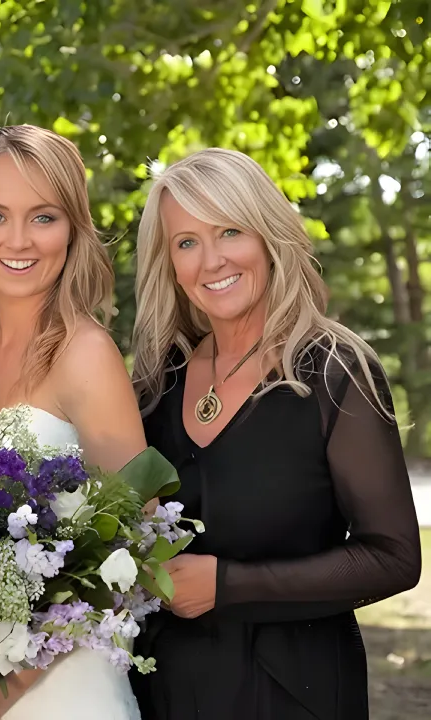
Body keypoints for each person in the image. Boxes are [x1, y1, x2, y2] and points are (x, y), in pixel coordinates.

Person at [128, 147, 422, 719]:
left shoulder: (337, 372)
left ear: (268, 235)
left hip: (292, 694)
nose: (210, 260)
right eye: (186, 242)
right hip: (166, 691)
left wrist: (228, 585)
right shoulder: (158, 381)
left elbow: (394, 558)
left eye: (230, 231)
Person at [0, 124, 146, 719]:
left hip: (68, 690)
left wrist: (3, 694)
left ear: (73, 229)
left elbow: (133, 554)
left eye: (43, 217)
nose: (18, 240)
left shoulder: (87, 353)